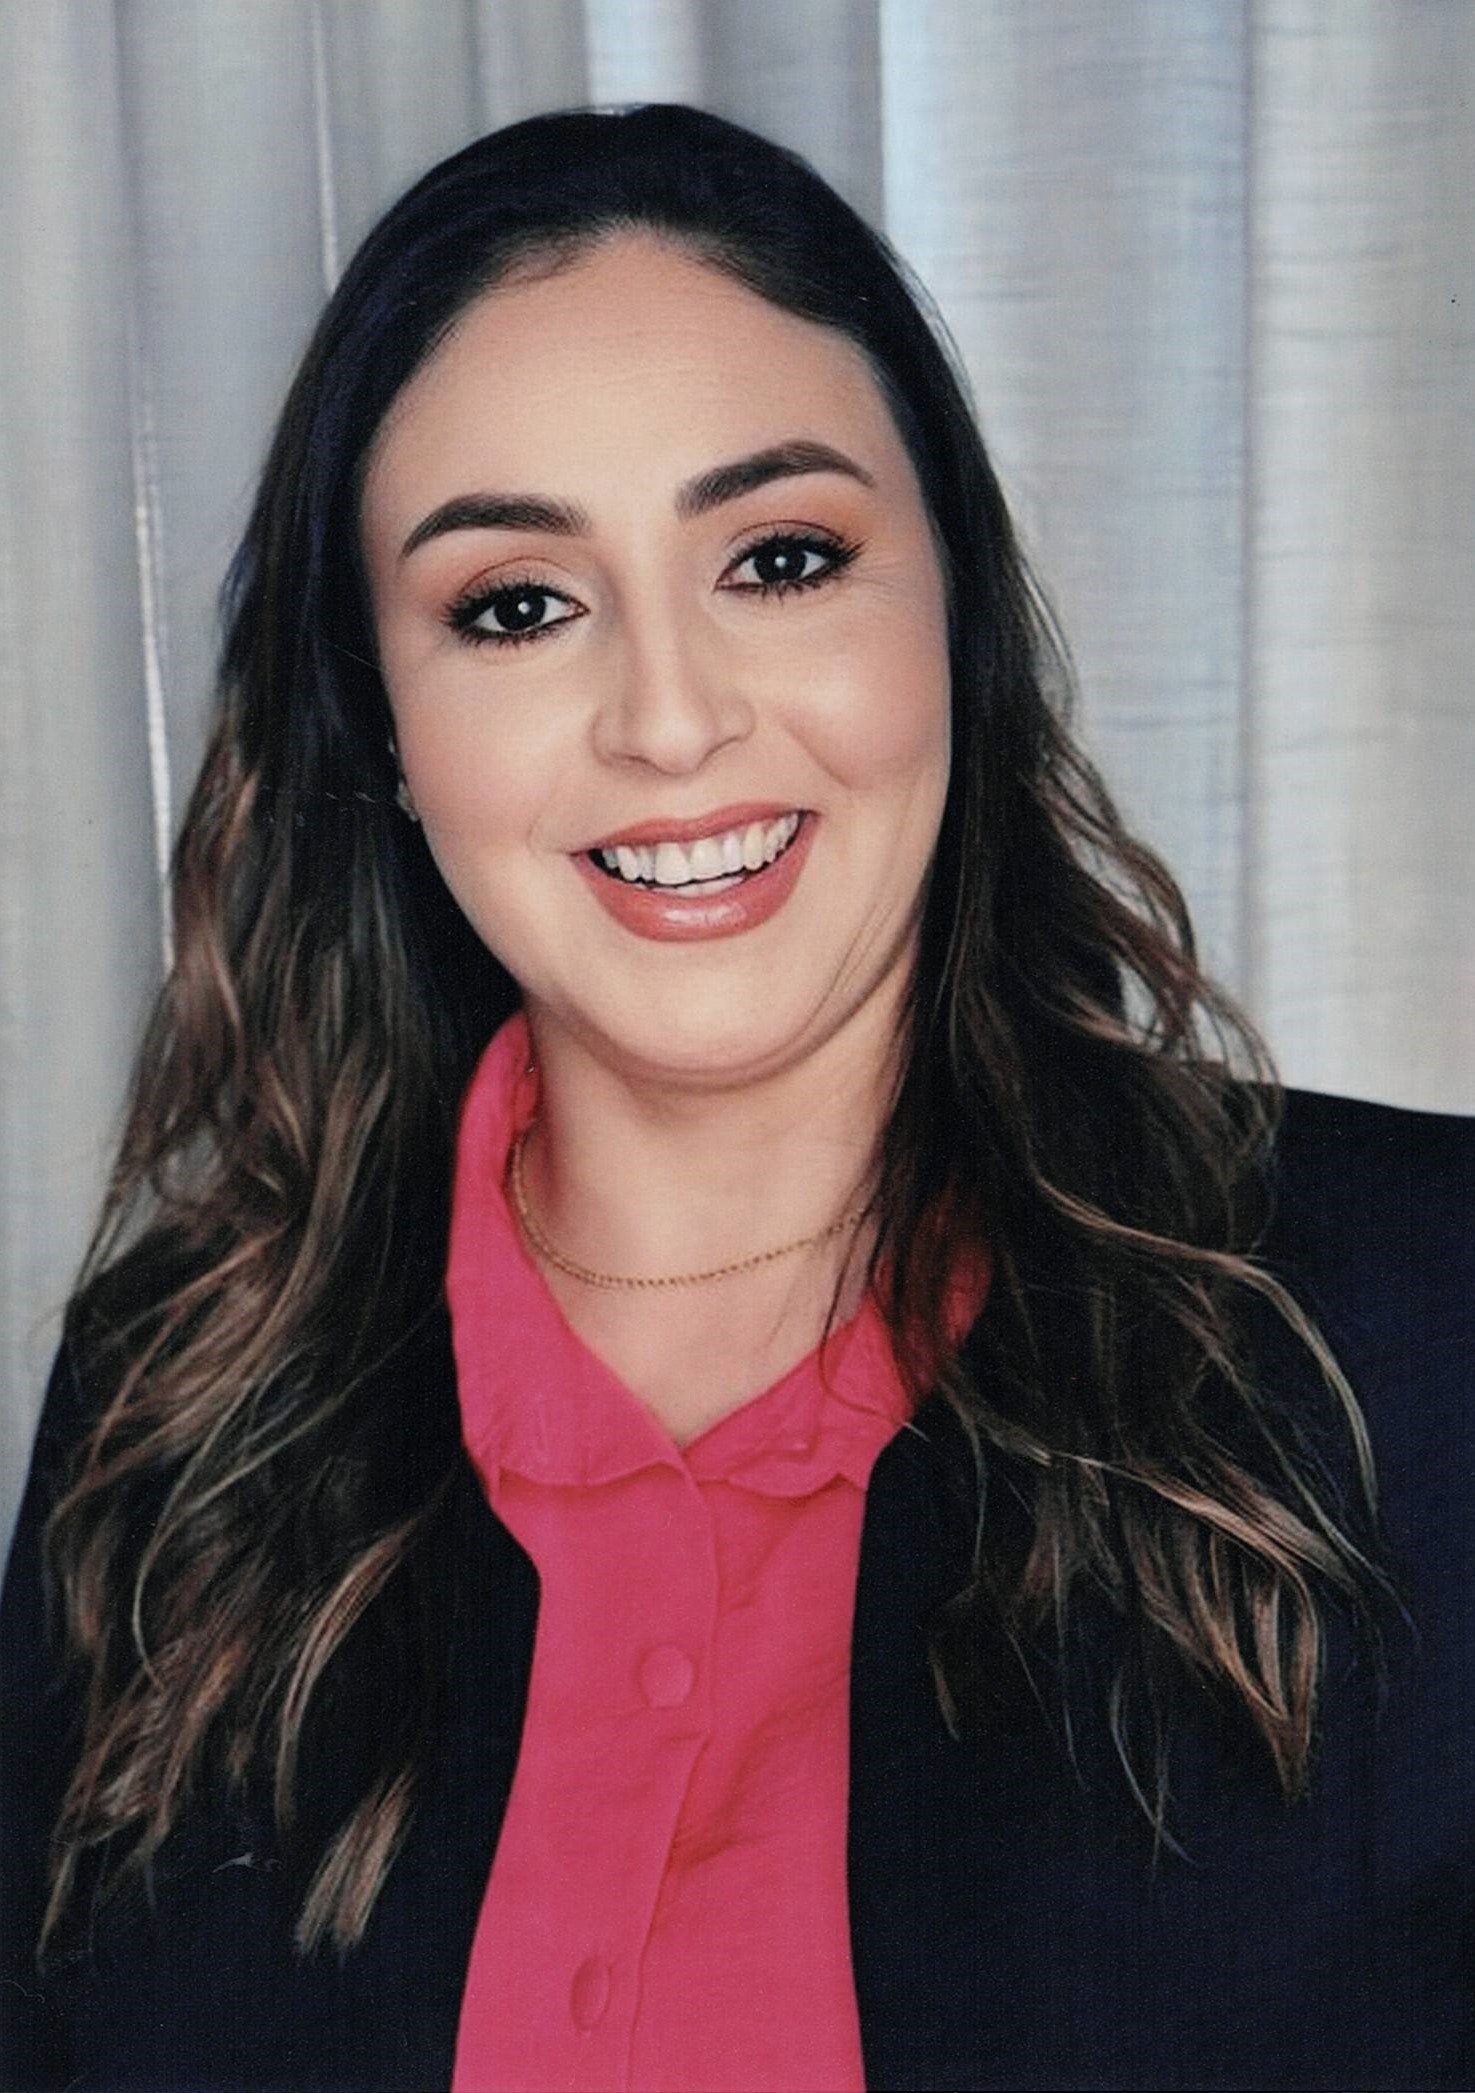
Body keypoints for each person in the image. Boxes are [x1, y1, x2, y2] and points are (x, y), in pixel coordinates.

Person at [1, 102, 1471, 2093]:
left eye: (781, 559)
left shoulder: (1425, 1320)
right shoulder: (173, 1408)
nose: (671, 720)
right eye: (516, 603)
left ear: (954, 614)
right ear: (385, 728)